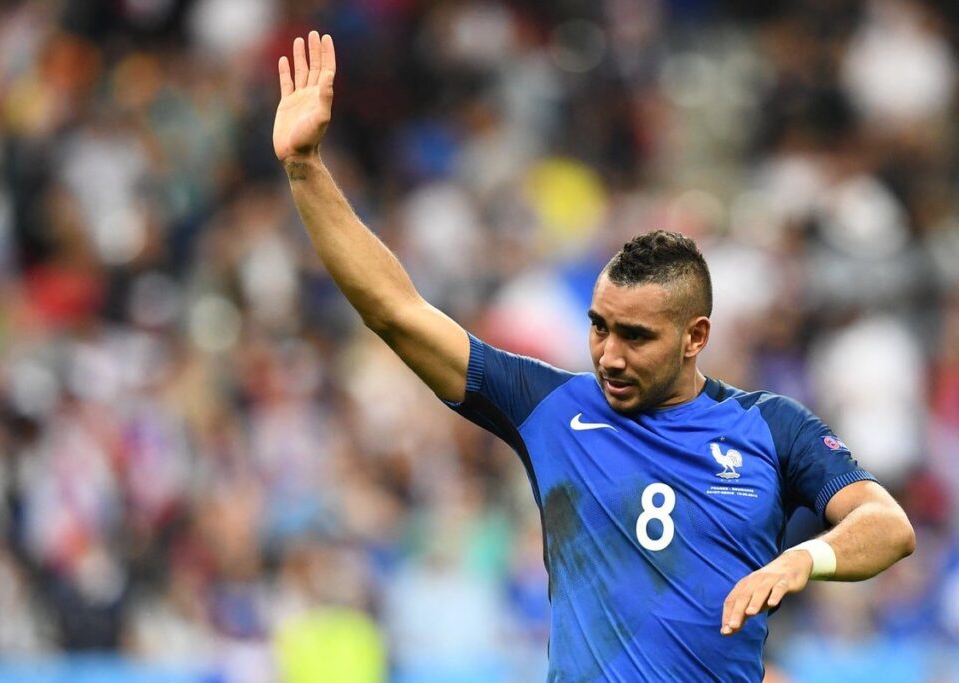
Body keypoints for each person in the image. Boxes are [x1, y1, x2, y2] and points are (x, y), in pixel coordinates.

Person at [271, 31, 917, 682]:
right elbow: (396, 311)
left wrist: (805, 559)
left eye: (636, 336)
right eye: (599, 328)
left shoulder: (771, 428)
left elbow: (887, 524)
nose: (609, 355)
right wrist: (305, 169)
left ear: (695, 337)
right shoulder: (550, 406)